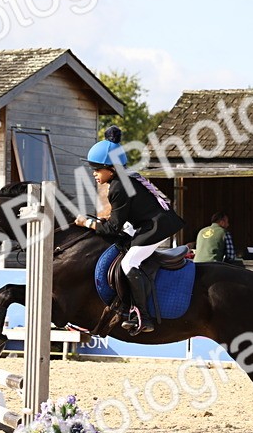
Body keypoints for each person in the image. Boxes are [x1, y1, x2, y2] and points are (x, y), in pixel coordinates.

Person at [74, 125, 185, 334]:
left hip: (155, 228)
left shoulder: (118, 187)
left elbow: (113, 228)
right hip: (148, 223)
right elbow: (120, 218)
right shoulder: (124, 179)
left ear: (111, 168)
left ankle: (143, 316)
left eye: (97, 169)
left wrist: (87, 223)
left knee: (128, 263)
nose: (94, 174)